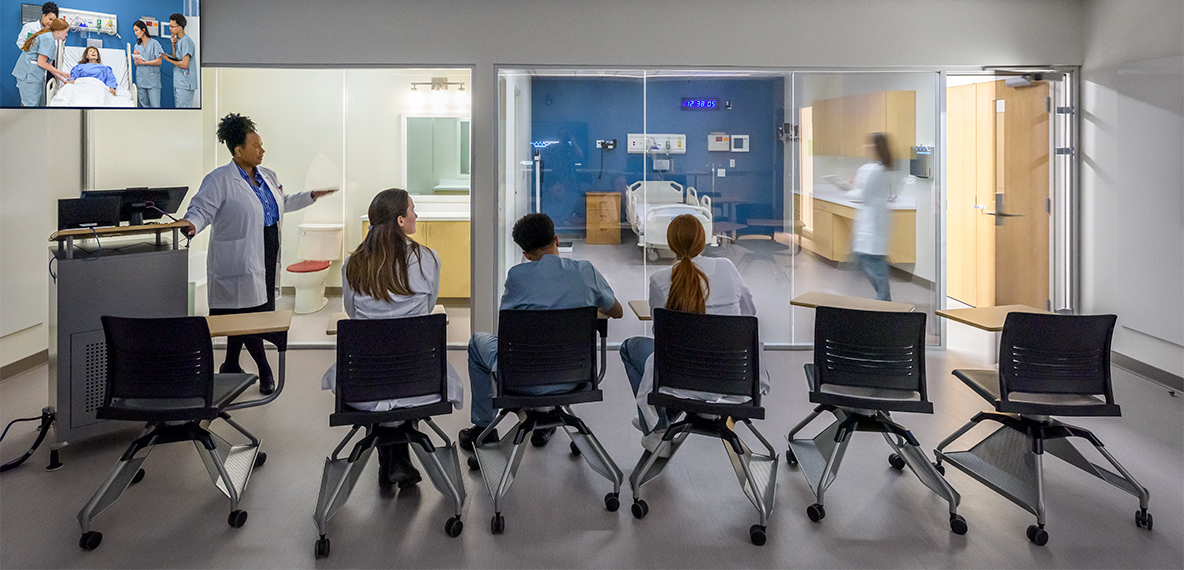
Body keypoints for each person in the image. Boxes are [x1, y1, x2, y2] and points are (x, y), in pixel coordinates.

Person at [179, 113, 337, 395]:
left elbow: (282, 203)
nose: (262, 151)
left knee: (249, 315)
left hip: (266, 252)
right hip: (237, 259)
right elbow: (201, 209)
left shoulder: (267, 176)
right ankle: (265, 370)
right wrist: (192, 224)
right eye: (256, 146)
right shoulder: (219, 180)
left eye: (262, 145)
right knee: (248, 318)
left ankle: (229, 364)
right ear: (238, 151)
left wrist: (311, 195)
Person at [320, 188, 463, 489]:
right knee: (403, 366)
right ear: (400, 220)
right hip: (420, 380)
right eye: (412, 209)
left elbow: (352, 313)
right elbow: (427, 307)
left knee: (383, 372)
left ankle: (392, 459)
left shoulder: (353, 265)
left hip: (364, 384)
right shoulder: (428, 259)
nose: (416, 215)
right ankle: (397, 459)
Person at [458, 213, 623, 451]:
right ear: (556, 239)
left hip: (523, 378)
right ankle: (546, 420)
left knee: (477, 342)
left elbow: (506, 328)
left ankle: (485, 427)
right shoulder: (586, 271)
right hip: (575, 376)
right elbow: (616, 311)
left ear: (525, 254)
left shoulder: (517, 276)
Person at [619, 214, 767, 456]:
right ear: (703, 240)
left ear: (670, 243)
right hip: (732, 376)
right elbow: (749, 315)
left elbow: (661, 334)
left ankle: (657, 427)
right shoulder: (728, 269)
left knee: (629, 347)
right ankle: (665, 418)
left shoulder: (660, 280)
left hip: (681, 377)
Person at [849, 132, 896, 301]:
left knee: (874, 266)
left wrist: (852, 185)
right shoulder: (881, 168)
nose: (866, 147)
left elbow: (862, 195)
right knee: (872, 264)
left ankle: (884, 304)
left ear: (876, 147)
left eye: (870, 145)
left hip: (872, 224)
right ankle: (884, 302)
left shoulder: (877, 170)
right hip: (875, 222)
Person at [11, 18, 70, 107]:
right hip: (28, 75)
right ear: (58, 31)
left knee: (40, 105)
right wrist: (61, 72)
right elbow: (41, 63)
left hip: (35, 76)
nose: (66, 34)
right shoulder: (48, 39)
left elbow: (49, 66)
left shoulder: (50, 37)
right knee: (30, 106)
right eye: (65, 32)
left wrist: (64, 80)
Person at [160, 13, 196, 108]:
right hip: (179, 83)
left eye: (172, 26)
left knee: (183, 114)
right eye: (169, 26)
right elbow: (176, 58)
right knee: (179, 111)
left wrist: (167, 59)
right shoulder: (180, 41)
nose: (170, 28)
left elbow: (185, 64)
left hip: (185, 83)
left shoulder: (186, 41)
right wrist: (173, 45)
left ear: (180, 27)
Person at [131, 20, 163, 107]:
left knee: (155, 107)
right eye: (134, 31)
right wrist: (136, 59)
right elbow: (136, 64)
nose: (135, 33)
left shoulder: (154, 43)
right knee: (143, 107)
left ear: (143, 30)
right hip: (141, 80)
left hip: (152, 81)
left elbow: (159, 61)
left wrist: (144, 62)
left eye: (137, 30)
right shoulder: (137, 45)